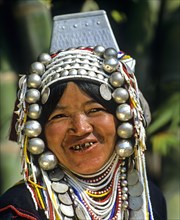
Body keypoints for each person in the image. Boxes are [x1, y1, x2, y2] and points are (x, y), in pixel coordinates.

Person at [0, 12, 167, 220]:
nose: (80, 128)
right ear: (40, 131)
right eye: (60, 116)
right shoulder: (22, 209)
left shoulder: (149, 199)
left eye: (94, 110)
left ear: (124, 118)